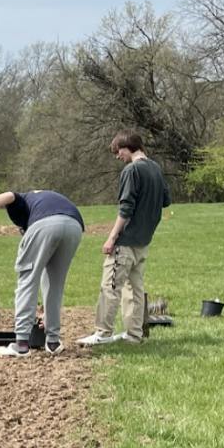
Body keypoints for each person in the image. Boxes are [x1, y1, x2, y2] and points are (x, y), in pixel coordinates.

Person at [0, 188, 84, 356]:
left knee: (27, 280)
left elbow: (8, 195)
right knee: (55, 284)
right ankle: (53, 342)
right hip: (74, 225)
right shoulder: (42, 198)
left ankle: (22, 344)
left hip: (45, 224)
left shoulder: (23, 200)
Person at [79, 130, 170, 346]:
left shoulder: (132, 170)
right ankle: (133, 335)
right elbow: (165, 201)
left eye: (118, 151)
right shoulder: (156, 168)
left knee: (110, 287)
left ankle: (102, 333)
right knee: (134, 290)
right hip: (144, 242)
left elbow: (126, 207)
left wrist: (111, 238)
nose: (117, 156)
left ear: (128, 147)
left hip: (126, 241)